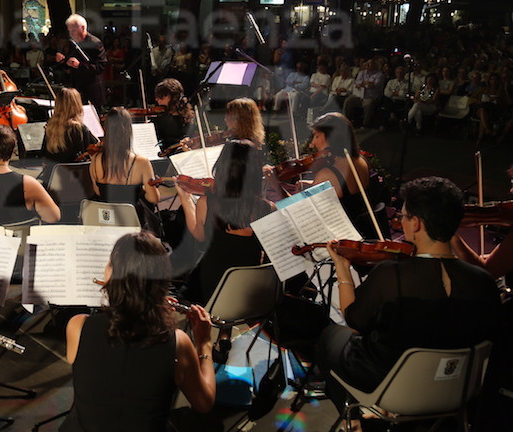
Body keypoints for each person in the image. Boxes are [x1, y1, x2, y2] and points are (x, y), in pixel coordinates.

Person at [317, 177, 500, 413]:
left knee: (331, 336)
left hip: (392, 388)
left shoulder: (391, 275)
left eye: (403, 216)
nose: (401, 221)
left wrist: (343, 270)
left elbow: (354, 320)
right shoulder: (484, 281)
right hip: (459, 391)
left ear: (416, 224)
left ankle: (353, 418)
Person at [62, 232, 216, 431]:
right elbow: (204, 403)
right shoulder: (178, 343)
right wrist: (204, 342)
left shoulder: (77, 326)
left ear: (112, 275)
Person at [176, 140, 274, 358]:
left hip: (212, 288)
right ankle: (225, 333)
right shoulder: (267, 209)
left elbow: (199, 235)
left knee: (204, 270)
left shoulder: (208, 202)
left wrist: (185, 198)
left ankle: (217, 333)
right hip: (248, 291)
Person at [89, 107, 159, 230]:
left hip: (106, 224)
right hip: (133, 225)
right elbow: (153, 199)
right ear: (128, 130)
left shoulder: (95, 160)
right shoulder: (141, 162)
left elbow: (98, 192)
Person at [54, 14, 107, 108]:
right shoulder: (73, 43)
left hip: (92, 90)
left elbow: (100, 67)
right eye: (69, 31)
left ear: (82, 28)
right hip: (77, 89)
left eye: (73, 31)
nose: (71, 34)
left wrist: (79, 65)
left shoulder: (95, 43)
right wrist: (63, 60)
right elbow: (71, 63)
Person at [41, 87, 97, 166]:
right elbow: (94, 149)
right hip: (74, 172)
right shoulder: (78, 128)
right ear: (77, 105)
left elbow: (44, 156)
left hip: (53, 173)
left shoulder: (50, 127)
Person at [153, 78, 196, 154]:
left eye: (161, 96)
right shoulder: (160, 118)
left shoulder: (189, 117)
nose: (157, 99)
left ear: (172, 96)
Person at [343, 59, 385, 128]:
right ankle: (345, 121)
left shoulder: (379, 75)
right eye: (367, 64)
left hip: (370, 96)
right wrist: (365, 83)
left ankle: (365, 124)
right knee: (348, 100)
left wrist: (365, 84)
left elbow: (375, 85)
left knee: (368, 104)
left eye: (370, 64)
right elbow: (357, 82)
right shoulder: (362, 72)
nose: (367, 65)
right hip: (359, 95)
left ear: (374, 65)